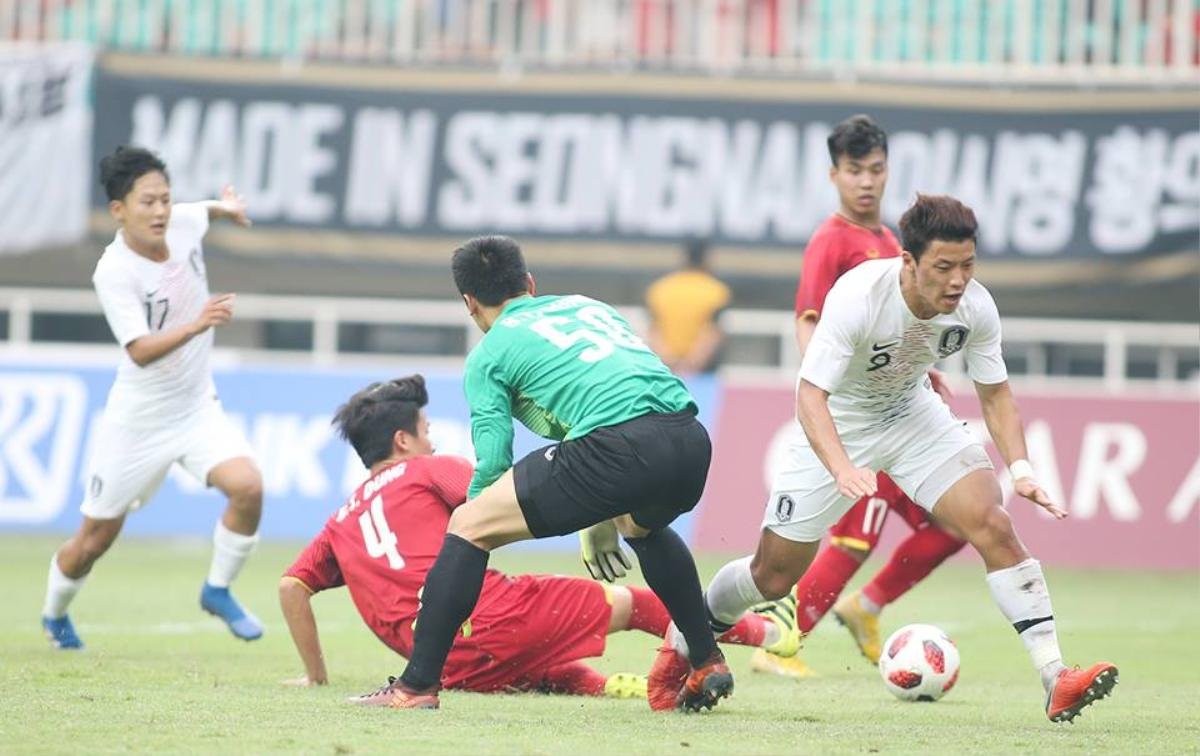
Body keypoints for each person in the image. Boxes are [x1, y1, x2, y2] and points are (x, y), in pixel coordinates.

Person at [701, 194, 1117, 723]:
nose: (957, 281)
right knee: (773, 576)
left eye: (967, 266)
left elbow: (995, 395)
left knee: (992, 522)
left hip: (911, 413)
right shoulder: (858, 296)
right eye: (943, 267)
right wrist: (842, 467)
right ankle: (695, 630)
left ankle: (1056, 677)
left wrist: (1023, 470)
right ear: (908, 262)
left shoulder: (976, 307)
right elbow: (810, 396)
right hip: (842, 422)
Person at [359, 235, 736, 712]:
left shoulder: (489, 353)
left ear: (469, 303)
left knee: (468, 527)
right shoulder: (587, 306)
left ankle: (414, 688)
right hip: (689, 438)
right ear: (530, 283)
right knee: (641, 526)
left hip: (618, 446)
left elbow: (494, 462)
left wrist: (462, 556)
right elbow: (622, 395)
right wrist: (604, 513)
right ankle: (705, 659)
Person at [279, 375, 798, 700]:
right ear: (403, 441)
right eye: (426, 429)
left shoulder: (340, 520)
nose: (432, 438)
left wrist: (316, 675)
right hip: (488, 618)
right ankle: (769, 635)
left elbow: (291, 588)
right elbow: (502, 499)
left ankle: (608, 687)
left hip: (437, 661)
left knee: (541, 666)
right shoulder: (428, 471)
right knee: (631, 603)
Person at [753, 114, 966, 679]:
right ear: (834, 175)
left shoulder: (894, 243)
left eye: (875, 170)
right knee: (854, 533)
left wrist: (922, 373)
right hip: (855, 416)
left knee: (953, 524)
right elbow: (807, 322)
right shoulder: (831, 241)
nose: (866, 182)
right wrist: (828, 389)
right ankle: (778, 645)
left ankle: (863, 607)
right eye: (854, 171)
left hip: (898, 410)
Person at [40, 146, 265, 649]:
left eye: (166, 198)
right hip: (138, 420)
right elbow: (139, 350)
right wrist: (198, 323)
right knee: (94, 540)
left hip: (196, 408)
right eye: (148, 202)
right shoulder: (114, 271)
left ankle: (217, 589)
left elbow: (198, 209)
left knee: (248, 487)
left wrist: (225, 207)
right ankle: (54, 614)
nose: (161, 210)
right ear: (119, 210)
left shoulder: (182, 221)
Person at [645, 239, 731, 374]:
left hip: (665, 368)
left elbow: (654, 330)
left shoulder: (660, 288)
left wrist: (669, 361)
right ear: (707, 259)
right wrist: (692, 363)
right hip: (703, 371)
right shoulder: (716, 291)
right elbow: (712, 333)